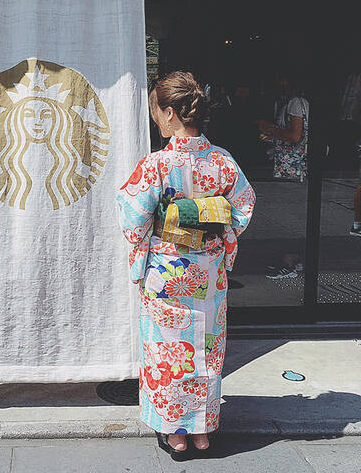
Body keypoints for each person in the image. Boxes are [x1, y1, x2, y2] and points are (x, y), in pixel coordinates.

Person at [117, 71, 255, 460]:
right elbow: (242, 209)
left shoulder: (156, 165)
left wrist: (160, 229)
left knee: (168, 351)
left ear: (171, 113)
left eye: (157, 113)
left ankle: (175, 432)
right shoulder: (223, 162)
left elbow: (132, 219)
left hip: (168, 275)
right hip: (208, 273)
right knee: (206, 349)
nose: (156, 121)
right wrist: (216, 231)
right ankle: (202, 431)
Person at [256, 76, 309, 278]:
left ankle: (289, 261)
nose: (280, 84)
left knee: (290, 213)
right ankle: (296, 258)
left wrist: (270, 129)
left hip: (292, 166)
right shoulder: (298, 102)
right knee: (294, 212)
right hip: (294, 165)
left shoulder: (295, 103)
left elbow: (295, 135)